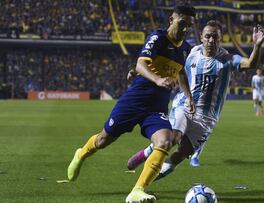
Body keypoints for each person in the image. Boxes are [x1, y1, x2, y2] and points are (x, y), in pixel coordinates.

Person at [67, 4, 196, 203]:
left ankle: (137, 190)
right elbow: (140, 64)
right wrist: (158, 80)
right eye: (182, 24)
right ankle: (81, 153)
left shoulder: (185, 49)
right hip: (134, 102)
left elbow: (180, 73)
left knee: (165, 141)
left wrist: (188, 96)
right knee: (103, 140)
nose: (185, 29)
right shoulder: (158, 38)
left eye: (190, 25)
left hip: (156, 108)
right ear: (171, 20)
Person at [126, 21, 264, 178]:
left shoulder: (227, 59)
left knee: (181, 154)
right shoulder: (191, 52)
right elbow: (167, 64)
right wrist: (136, 71)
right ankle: (143, 180)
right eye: (208, 36)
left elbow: (250, 64)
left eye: (215, 37)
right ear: (201, 37)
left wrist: (257, 46)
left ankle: (150, 174)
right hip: (184, 106)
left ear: (220, 39)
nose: (211, 40)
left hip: (207, 117)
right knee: (172, 139)